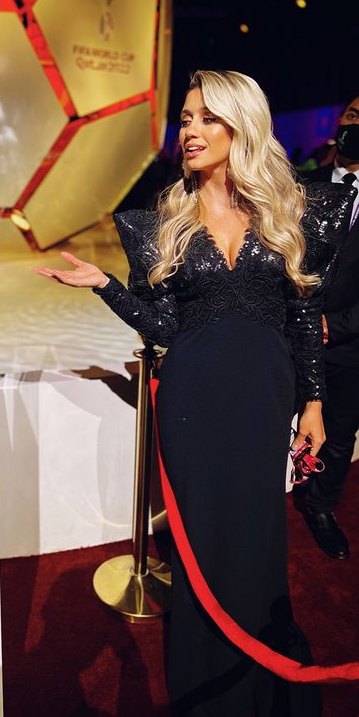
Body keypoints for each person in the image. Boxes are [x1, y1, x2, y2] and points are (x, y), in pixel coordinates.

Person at [34, 70, 354, 716]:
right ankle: (210, 687)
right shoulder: (161, 222)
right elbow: (167, 329)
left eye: (207, 118)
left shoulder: (292, 211)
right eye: (185, 119)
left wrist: (313, 402)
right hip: (191, 398)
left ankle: (264, 669)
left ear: (242, 125)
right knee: (201, 543)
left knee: (260, 534)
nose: (190, 132)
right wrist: (107, 287)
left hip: (264, 397)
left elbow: (299, 315)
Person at [295, 97, 359, 559]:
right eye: (354, 114)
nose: (356, 124)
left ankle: (320, 506)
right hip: (286, 332)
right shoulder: (299, 188)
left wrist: (331, 325)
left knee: (338, 432)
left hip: (348, 343)